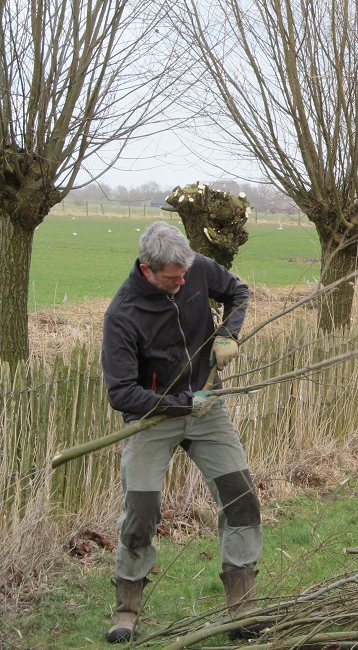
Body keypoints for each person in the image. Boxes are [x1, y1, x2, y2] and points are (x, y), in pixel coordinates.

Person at [101, 221, 263, 643]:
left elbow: (238, 292)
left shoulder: (197, 269)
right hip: (153, 419)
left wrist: (228, 333)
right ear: (147, 270)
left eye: (184, 276)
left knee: (242, 498)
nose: (181, 283)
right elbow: (122, 393)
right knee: (140, 514)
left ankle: (241, 612)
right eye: (172, 279)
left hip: (208, 412)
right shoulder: (122, 315)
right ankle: (126, 612)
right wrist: (179, 405)